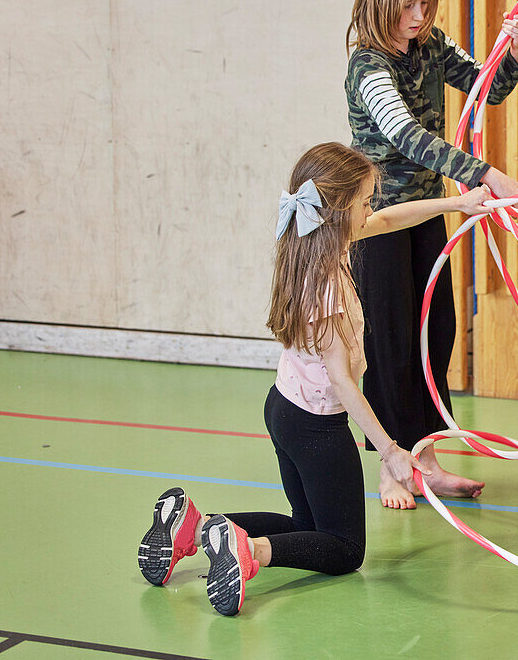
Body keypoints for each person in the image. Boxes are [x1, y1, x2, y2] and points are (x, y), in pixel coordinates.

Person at [137, 142, 492, 616]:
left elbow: (389, 220)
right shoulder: (330, 287)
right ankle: (251, 554)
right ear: (341, 208)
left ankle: (194, 527)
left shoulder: (309, 244)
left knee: (305, 522)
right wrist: (391, 452)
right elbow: (344, 383)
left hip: (283, 409)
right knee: (344, 549)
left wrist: (458, 203)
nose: (372, 208)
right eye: (366, 200)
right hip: (317, 429)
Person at [345, 0, 518, 510]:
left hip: (428, 212)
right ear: (380, 4)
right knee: (390, 342)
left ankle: (425, 459)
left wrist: (515, 48)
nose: (419, 16)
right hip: (377, 220)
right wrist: (483, 173)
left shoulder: (429, 44)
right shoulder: (367, 65)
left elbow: (487, 89)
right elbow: (403, 135)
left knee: (436, 335)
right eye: (407, 6)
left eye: (425, 3)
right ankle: (390, 465)